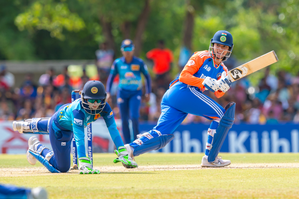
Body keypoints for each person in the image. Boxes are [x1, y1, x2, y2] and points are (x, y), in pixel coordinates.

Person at [123, 30, 236, 167]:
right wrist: (204, 82)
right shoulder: (201, 56)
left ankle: (129, 149)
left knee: (162, 135)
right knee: (221, 116)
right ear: (212, 45)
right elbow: (184, 76)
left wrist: (223, 86)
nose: (220, 49)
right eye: (218, 45)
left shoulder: (223, 70)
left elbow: (218, 94)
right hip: (182, 90)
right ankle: (210, 158)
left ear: (228, 50)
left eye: (224, 47)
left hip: (179, 99)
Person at [12, 80, 137, 174]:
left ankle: (27, 124)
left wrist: (123, 153)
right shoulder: (78, 111)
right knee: (62, 168)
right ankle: (36, 147)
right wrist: (83, 161)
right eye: (91, 100)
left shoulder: (105, 107)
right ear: (84, 98)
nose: (95, 104)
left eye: (98, 100)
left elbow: (113, 129)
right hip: (60, 129)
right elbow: (79, 137)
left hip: (66, 119)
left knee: (54, 122)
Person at [106, 39, 151, 144]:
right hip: (122, 93)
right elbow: (111, 78)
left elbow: (147, 77)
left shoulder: (139, 62)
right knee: (124, 120)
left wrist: (148, 92)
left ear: (133, 49)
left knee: (134, 117)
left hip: (135, 93)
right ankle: (127, 144)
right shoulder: (118, 63)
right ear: (122, 50)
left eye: (130, 48)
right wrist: (108, 92)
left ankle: (136, 143)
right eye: (125, 49)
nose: (128, 51)